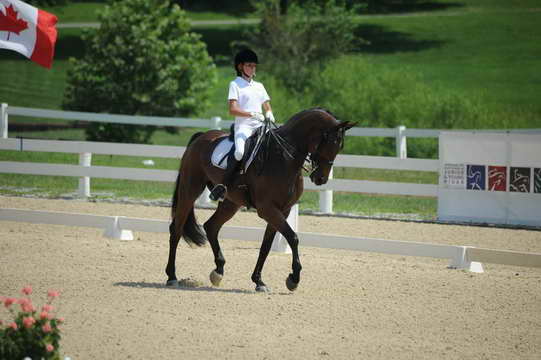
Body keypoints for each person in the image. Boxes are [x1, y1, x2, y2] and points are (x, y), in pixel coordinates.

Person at [209, 48, 275, 201]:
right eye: (249, 65)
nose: (252, 68)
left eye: (254, 66)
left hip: (260, 126)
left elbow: (266, 104)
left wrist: (269, 113)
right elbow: (232, 109)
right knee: (239, 152)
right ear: (240, 67)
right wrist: (250, 114)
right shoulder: (235, 84)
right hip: (244, 126)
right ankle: (224, 185)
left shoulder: (259, 86)